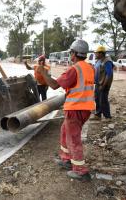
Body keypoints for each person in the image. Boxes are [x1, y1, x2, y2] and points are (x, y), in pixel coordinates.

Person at [36, 39, 95, 181]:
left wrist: (43, 73)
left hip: (75, 109)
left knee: (73, 139)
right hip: (84, 108)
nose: (70, 55)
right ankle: (67, 159)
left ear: (74, 53)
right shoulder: (89, 68)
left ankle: (81, 171)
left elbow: (55, 85)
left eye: (71, 52)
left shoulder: (74, 69)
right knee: (64, 131)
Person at [92, 46, 114, 120]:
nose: (95, 54)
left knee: (103, 100)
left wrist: (103, 85)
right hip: (98, 84)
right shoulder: (98, 61)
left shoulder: (107, 61)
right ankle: (98, 115)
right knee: (97, 99)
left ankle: (108, 117)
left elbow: (109, 74)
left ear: (101, 53)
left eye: (96, 53)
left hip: (103, 85)